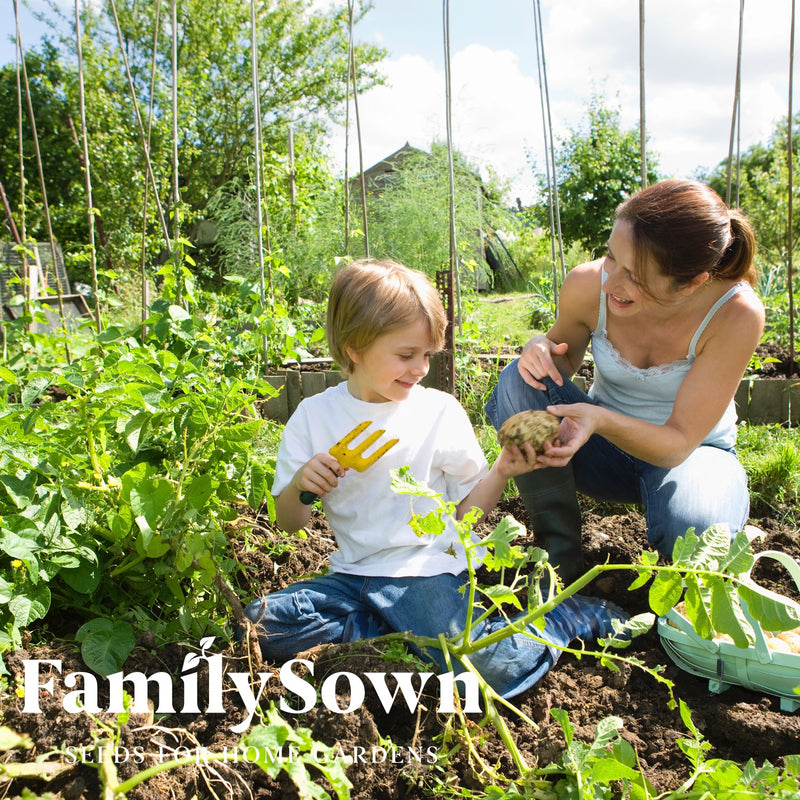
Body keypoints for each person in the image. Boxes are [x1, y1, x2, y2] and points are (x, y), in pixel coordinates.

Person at [244, 258, 627, 699]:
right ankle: (398, 637)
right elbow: (289, 523)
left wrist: (501, 469)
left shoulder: (438, 412)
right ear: (354, 347)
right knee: (259, 624)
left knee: (490, 673)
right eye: (406, 355)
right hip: (352, 578)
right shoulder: (314, 417)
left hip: (424, 572)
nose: (421, 367)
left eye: (427, 354)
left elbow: (465, 517)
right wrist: (301, 487)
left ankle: (562, 619)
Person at [486, 179, 765, 584]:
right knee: (518, 380)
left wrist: (599, 420)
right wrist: (539, 347)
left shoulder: (735, 313)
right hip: (600, 452)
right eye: (611, 257)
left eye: (636, 277)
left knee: (700, 536)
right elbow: (559, 360)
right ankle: (558, 556)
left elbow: (679, 441)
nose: (610, 282)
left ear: (692, 283)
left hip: (691, 455)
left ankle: (694, 550)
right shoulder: (587, 284)